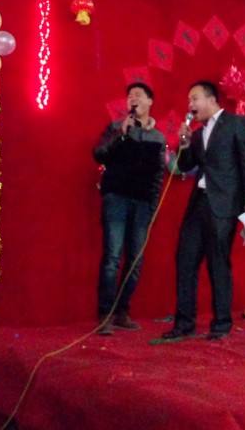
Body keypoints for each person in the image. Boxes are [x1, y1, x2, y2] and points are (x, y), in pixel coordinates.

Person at [161, 81, 245, 341]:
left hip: (225, 204)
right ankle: (184, 324)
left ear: (212, 99)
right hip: (198, 203)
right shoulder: (196, 134)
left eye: (195, 98)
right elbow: (184, 165)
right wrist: (183, 143)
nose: (190, 105)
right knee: (185, 260)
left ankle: (221, 324)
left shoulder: (237, 123)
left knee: (218, 263)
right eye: (189, 100)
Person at [92, 82, 166, 335]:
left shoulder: (159, 138)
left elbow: (158, 175)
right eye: (130, 96)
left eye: (138, 95)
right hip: (116, 199)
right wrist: (121, 135)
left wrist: (153, 208)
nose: (133, 99)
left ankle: (122, 311)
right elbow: (99, 153)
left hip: (143, 203)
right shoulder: (116, 127)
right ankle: (105, 314)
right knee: (113, 257)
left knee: (136, 260)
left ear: (150, 101)